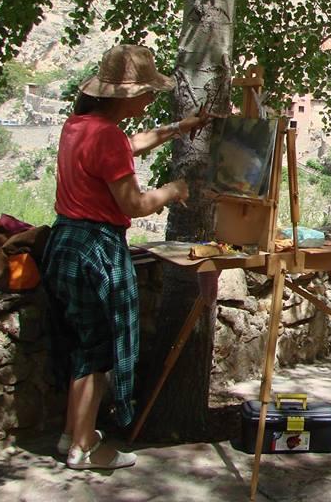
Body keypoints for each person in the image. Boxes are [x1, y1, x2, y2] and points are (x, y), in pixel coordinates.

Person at [42, 44, 210, 470]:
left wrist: (177, 128)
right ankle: (84, 448)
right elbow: (133, 204)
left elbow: (125, 146)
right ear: (125, 95)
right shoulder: (106, 136)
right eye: (146, 93)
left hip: (65, 245)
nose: (149, 99)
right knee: (96, 351)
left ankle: (70, 434)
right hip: (94, 250)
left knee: (81, 342)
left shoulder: (78, 126)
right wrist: (174, 190)